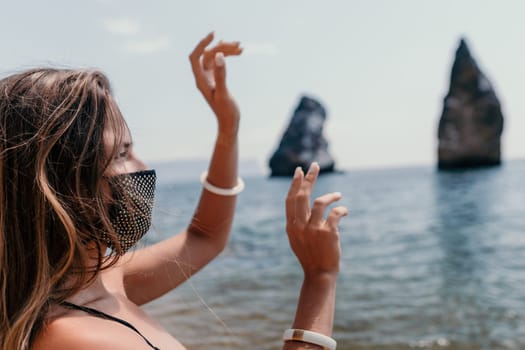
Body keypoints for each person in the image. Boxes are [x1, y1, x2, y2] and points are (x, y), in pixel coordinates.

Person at [0, 32, 347, 350]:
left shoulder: (95, 283)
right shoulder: (74, 336)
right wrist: (320, 279)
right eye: (122, 153)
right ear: (62, 184)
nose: (142, 165)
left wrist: (228, 128)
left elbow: (204, 237)